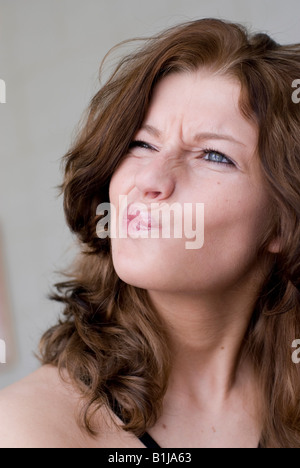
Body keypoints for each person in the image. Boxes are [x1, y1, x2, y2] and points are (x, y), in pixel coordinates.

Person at [1, 17, 300, 449]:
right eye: (142, 144)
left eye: (214, 155)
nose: (151, 179)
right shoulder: (27, 429)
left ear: (282, 221)